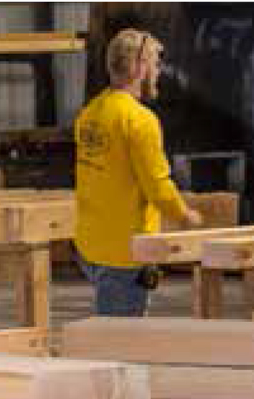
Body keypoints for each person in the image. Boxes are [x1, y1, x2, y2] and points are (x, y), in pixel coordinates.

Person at [73, 29, 202, 317]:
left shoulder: (90, 113)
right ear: (140, 68)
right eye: (155, 65)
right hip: (125, 253)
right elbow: (157, 187)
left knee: (111, 333)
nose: (157, 73)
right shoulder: (140, 121)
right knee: (120, 343)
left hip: (89, 246)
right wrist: (185, 216)